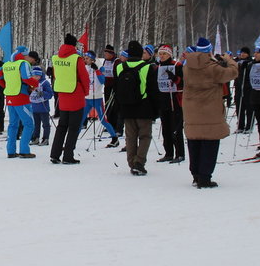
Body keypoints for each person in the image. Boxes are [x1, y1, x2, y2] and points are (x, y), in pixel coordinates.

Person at [182, 40, 238, 188]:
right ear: (209, 51)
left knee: (194, 142)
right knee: (209, 144)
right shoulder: (213, 68)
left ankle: (195, 175)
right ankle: (205, 177)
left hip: (192, 111)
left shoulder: (187, 67)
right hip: (209, 111)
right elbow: (232, 73)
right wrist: (228, 60)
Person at [115, 40, 159, 176]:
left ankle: (131, 162)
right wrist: (156, 110)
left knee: (130, 137)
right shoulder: (146, 67)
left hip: (126, 107)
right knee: (145, 136)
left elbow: (117, 88)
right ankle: (139, 162)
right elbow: (152, 90)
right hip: (143, 107)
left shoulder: (120, 67)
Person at [50, 33, 91, 164]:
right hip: (76, 95)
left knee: (62, 125)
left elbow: (56, 74)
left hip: (62, 95)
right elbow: (84, 77)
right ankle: (68, 156)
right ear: (74, 45)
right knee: (73, 128)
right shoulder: (76, 59)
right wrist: (85, 92)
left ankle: (55, 154)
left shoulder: (56, 58)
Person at [0, 46, 39, 158]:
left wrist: (7, 86)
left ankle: (11, 151)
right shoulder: (22, 64)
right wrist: (35, 84)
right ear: (24, 55)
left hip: (10, 97)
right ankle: (24, 150)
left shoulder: (7, 64)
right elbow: (26, 78)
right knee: (29, 124)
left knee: (13, 125)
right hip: (21, 97)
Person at [79, 50, 120, 147]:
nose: (85, 60)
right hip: (87, 98)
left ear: (93, 60)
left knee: (103, 120)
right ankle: (71, 141)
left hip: (97, 98)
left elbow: (103, 81)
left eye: (87, 58)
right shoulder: (85, 67)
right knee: (80, 120)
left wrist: (96, 70)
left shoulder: (100, 67)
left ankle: (114, 138)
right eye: (85, 58)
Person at [155, 44, 185, 163]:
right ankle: (168, 152)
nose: (161, 56)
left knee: (176, 128)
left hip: (175, 100)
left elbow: (182, 82)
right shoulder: (158, 67)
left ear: (169, 55)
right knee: (165, 128)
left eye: (164, 54)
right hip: (163, 100)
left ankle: (180, 153)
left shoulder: (177, 65)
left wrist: (174, 78)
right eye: (160, 54)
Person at [28, 51, 54, 146]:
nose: (35, 77)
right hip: (34, 107)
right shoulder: (32, 83)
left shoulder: (45, 83)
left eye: (37, 76)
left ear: (40, 75)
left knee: (45, 124)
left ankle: (45, 138)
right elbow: (29, 93)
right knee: (36, 124)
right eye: (34, 76)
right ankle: (36, 138)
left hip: (43, 108)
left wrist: (42, 93)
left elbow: (50, 94)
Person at [234, 47, 254, 133]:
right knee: (239, 107)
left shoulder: (250, 62)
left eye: (245, 53)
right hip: (239, 87)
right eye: (242, 53)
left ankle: (249, 126)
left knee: (249, 107)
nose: (243, 54)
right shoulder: (237, 62)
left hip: (248, 88)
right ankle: (240, 126)